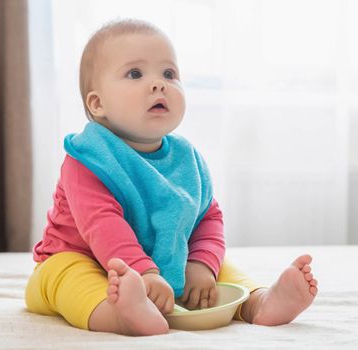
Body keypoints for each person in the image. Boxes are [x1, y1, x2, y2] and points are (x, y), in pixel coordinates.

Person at [25, 19, 318, 336]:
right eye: (135, 74)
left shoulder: (186, 159)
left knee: (220, 269)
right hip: (82, 258)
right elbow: (102, 225)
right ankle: (118, 314)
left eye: (169, 74)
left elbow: (207, 216)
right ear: (98, 104)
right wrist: (143, 272)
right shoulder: (88, 160)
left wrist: (201, 264)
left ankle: (259, 303)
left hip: (158, 264)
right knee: (68, 280)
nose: (158, 84)